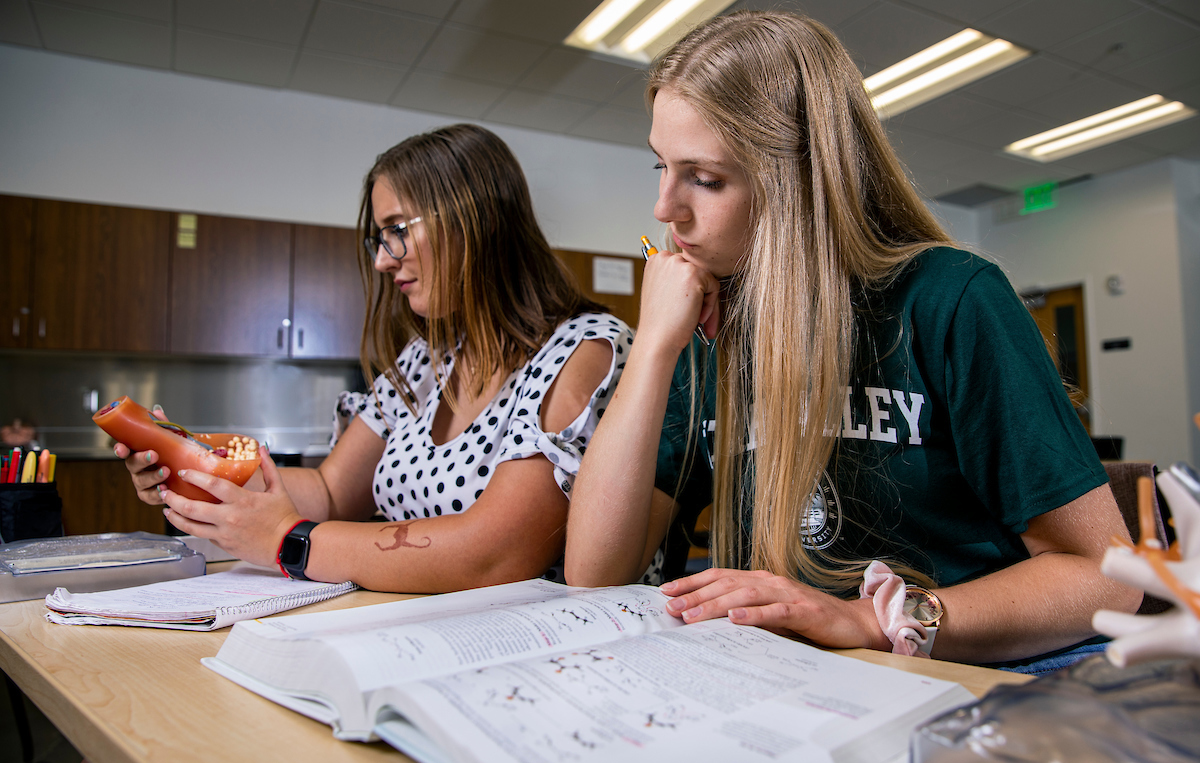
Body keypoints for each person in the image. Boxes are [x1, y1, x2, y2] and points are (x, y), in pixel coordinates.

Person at [565, 11, 1142, 671]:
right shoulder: (706, 330)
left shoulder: (952, 298)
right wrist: (653, 350)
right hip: (786, 683)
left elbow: (1107, 578)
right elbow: (592, 573)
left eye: (705, 178)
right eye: (662, 167)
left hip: (955, 681)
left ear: (799, 182)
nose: (666, 208)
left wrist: (866, 618)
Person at [116, 123, 634, 593]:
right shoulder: (425, 360)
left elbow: (496, 554)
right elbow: (329, 492)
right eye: (380, 239)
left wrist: (288, 541)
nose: (385, 260)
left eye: (398, 230)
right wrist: (196, 470)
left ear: (470, 220)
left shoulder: (584, 348)